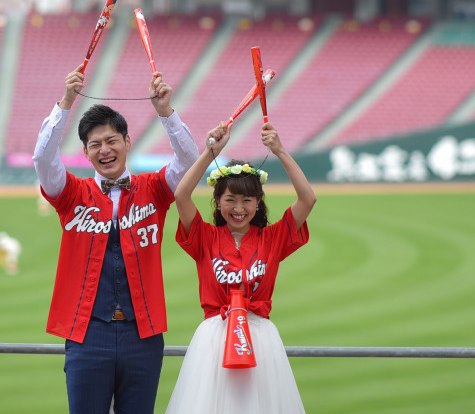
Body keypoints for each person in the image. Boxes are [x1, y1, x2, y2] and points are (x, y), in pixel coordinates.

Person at [33, 64, 200, 414]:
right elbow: (43, 158)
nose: (104, 150)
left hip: (144, 335)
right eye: (95, 144)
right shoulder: (69, 193)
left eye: (112, 140)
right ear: (85, 152)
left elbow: (188, 159)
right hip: (87, 335)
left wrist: (166, 112)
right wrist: (65, 102)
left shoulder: (155, 189)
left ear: (127, 142)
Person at [166, 120, 316, 413]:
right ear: (217, 201)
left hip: (260, 339)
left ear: (258, 203)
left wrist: (280, 150)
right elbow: (180, 194)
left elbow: (308, 199)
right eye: (230, 199)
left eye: (247, 200)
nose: (238, 208)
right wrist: (211, 153)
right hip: (213, 340)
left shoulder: (272, 238)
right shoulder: (204, 237)